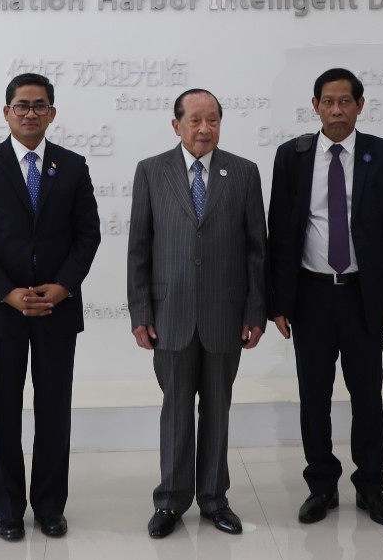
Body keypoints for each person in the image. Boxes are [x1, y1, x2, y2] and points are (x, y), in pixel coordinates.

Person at [0, 73, 102, 542]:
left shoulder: (73, 166)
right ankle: (8, 510)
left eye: (40, 105)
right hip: (1, 312)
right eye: (22, 105)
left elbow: (88, 235)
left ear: (52, 113)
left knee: (54, 411)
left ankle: (50, 507)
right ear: (7, 112)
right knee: (2, 414)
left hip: (58, 309)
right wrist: (7, 291)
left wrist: (62, 287)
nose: (30, 113)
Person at [267, 68, 383, 527]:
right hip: (310, 295)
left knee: (367, 394)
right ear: (315, 106)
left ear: (359, 105)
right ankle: (321, 486)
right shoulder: (292, 156)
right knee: (314, 396)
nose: (336, 110)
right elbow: (280, 233)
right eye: (327, 102)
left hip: (363, 295)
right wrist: (279, 302)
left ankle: (371, 486)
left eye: (345, 101)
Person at [127, 88, 268, 539]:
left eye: (213, 120)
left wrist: (256, 310)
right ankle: (170, 501)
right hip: (170, 314)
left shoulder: (243, 172)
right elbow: (139, 248)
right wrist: (140, 311)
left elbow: (256, 250)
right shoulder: (151, 171)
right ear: (177, 125)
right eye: (195, 120)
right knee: (175, 410)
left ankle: (213, 499)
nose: (204, 129)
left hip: (226, 314)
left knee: (217, 410)